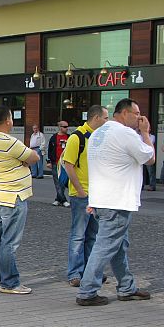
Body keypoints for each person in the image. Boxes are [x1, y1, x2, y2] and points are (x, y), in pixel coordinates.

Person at [76, 99, 155, 306]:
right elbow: (149, 157)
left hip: (103, 198)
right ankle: (87, 291)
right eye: (136, 113)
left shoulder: (99, 133)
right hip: (117, 200)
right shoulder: (125, 133)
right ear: (125, 113)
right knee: (104, 246)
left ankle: (126, 287)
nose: (139, 118)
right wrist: (145, 133)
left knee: (117, 245)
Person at [0, 105, 39, 295]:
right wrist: (22, 161)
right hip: (13, 196)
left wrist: (20, 161)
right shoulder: (9, 142)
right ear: (8, 120)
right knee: (10, 241)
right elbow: (34, 157)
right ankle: (9, 282)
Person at [64, 105, 108, 288]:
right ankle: (75, 273)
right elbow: (68, 165)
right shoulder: (78, 137)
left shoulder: (100, 138)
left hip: (97, 194)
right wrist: (81, 191)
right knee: (78, 236)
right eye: (105, 118)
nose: (107, 121)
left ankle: (91, 271)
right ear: (96, 118)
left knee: (93, 236)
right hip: (82, 195)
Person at [48, 121, 71, 207]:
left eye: (67, 126)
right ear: (60, 127)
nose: (67, 128)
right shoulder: (54, 137)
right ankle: (63, 200)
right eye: (65, 127)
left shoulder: (70, 137)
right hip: (56, 163)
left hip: (65, 164)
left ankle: (58, 199)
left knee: (63, 182)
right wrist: (49, 161)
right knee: (57, 182)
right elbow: (50, 150)